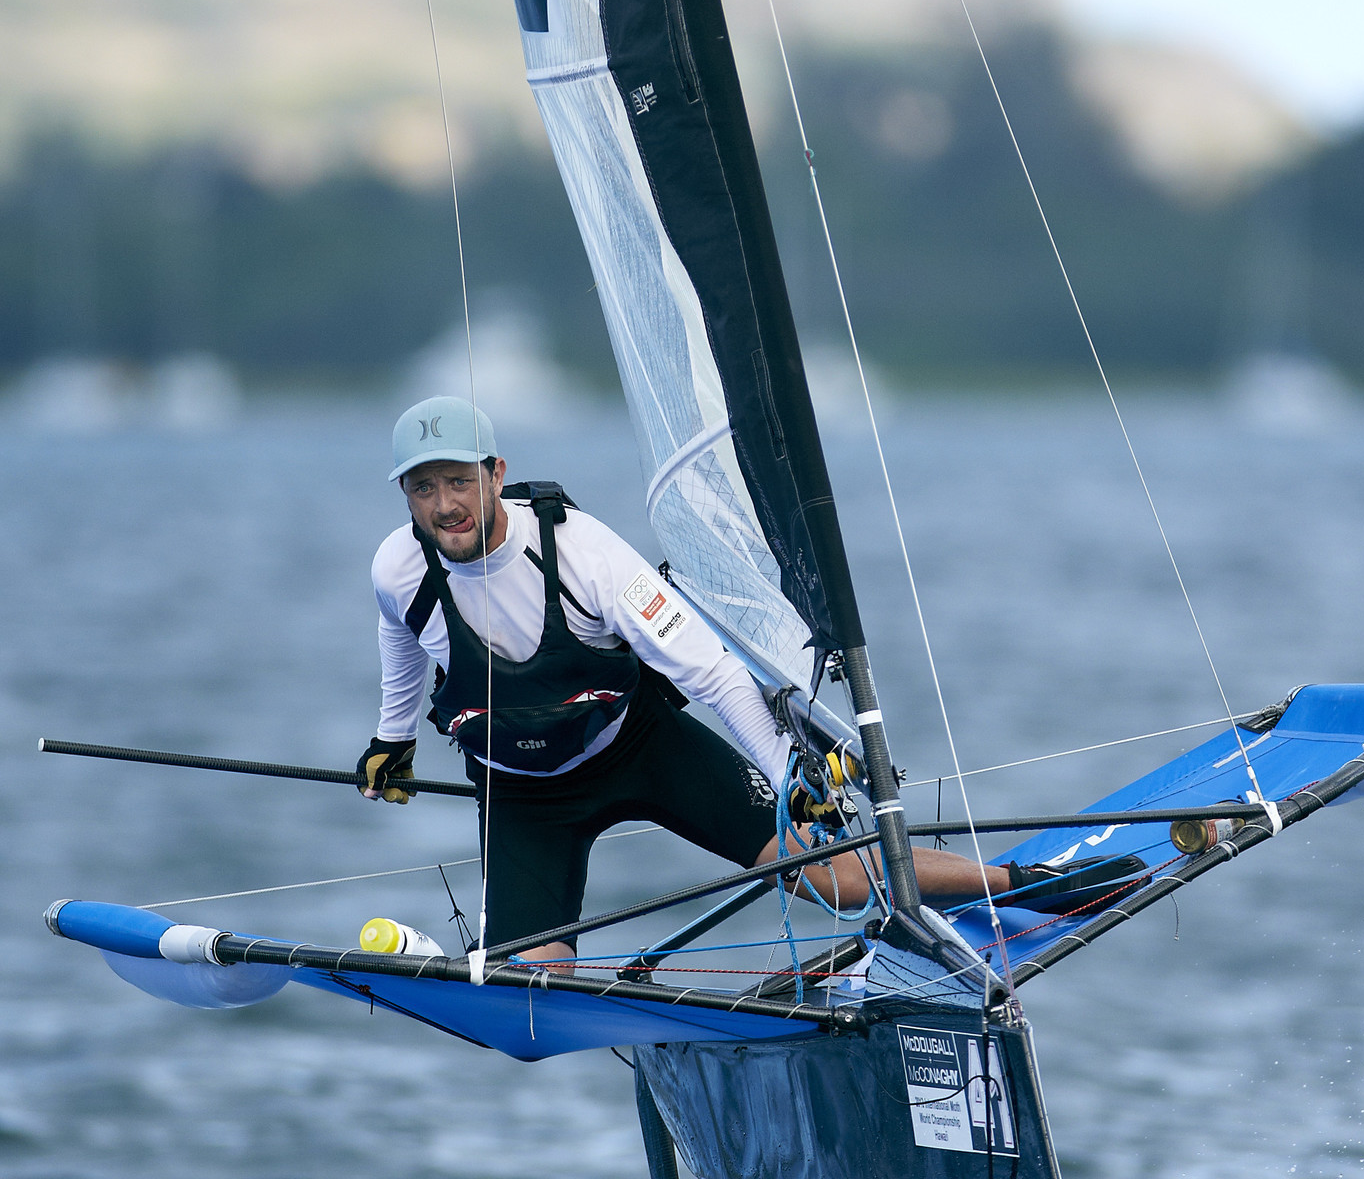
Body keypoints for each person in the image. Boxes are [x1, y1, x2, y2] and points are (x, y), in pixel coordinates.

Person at [359, 398, 1131, 965]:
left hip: (644, 751)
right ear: (405, 496)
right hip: (522, 791)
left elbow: (718, 675)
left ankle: (1016, 880)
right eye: (423, 489)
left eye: (458, 481)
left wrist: (787, 777)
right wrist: (391, 744)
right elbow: (403, 648)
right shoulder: (397, 567)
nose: (445, 506)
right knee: (534, 987)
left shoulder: (586, 555)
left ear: (496, 474)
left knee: (832, 881)